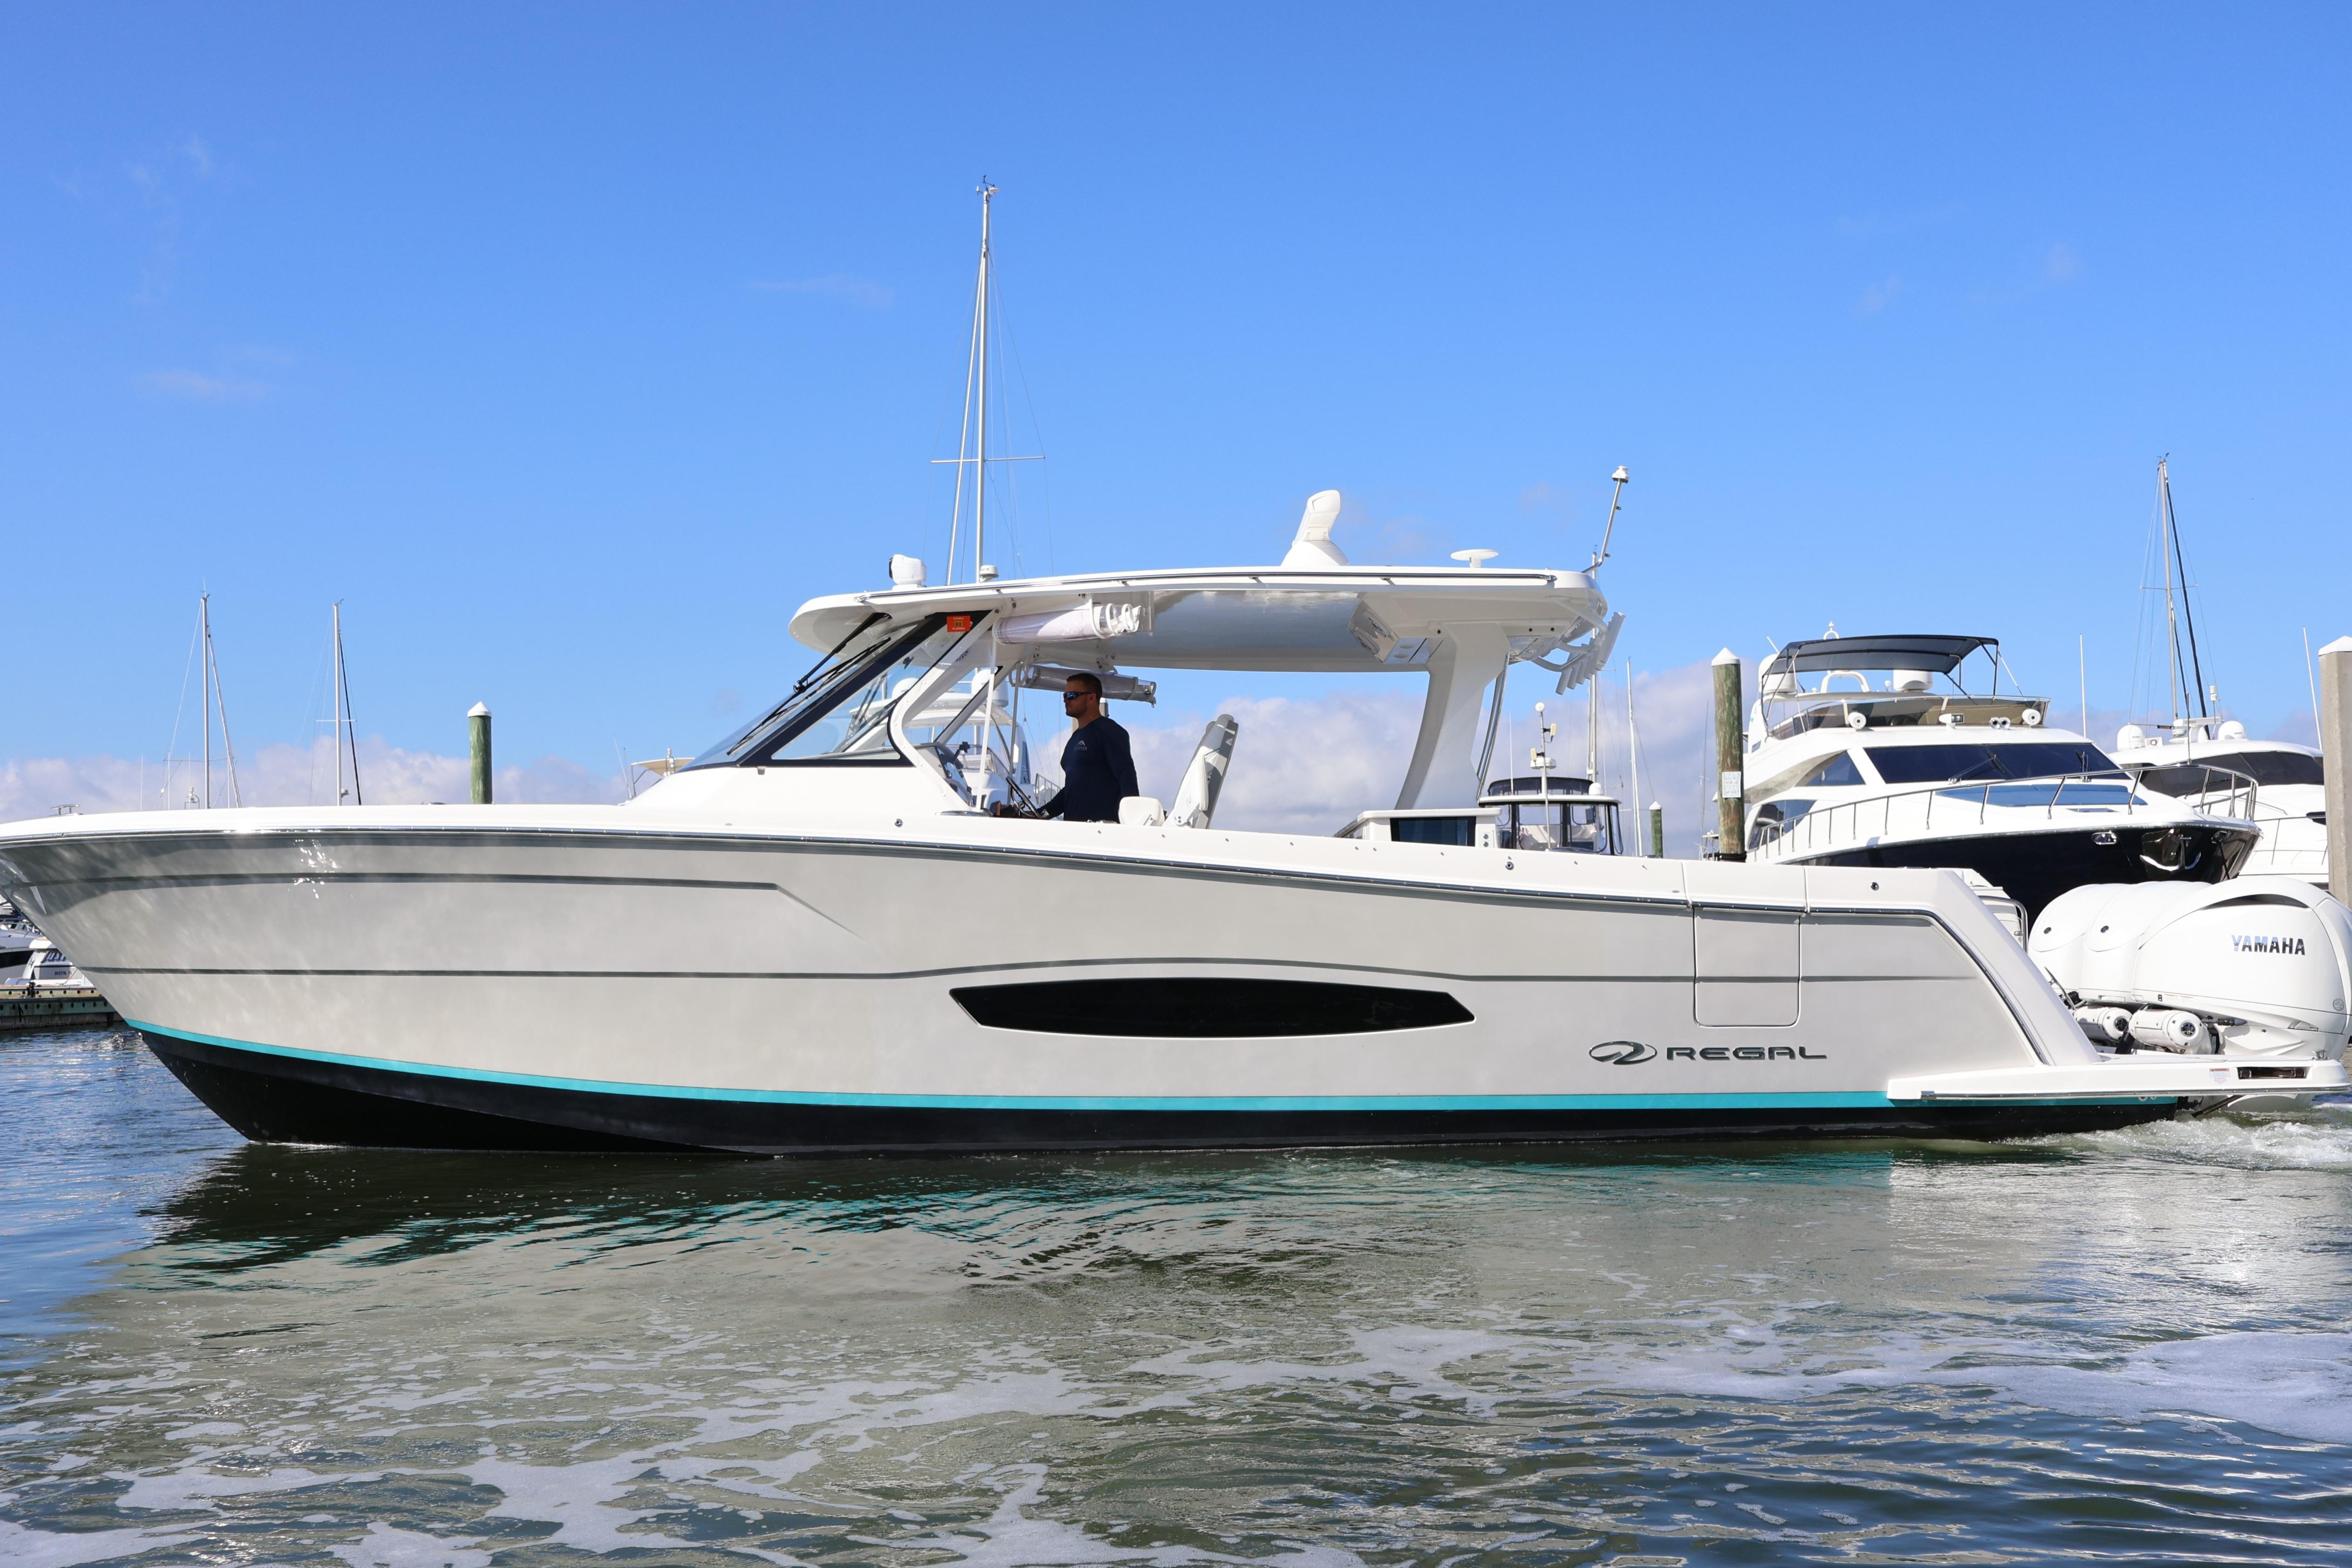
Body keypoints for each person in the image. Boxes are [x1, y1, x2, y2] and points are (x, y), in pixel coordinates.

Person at [1001, 672, 1137, 822]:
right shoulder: (1075, 738)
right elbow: (1071, 789)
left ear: (1091, 698)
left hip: (1101, 830)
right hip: (1073, 830)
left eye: (1072, 696)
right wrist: (1038, 815)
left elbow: (1126, 774)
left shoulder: (1110, 731)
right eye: (1064, 696)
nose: (1066, 700)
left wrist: (1133, 820)